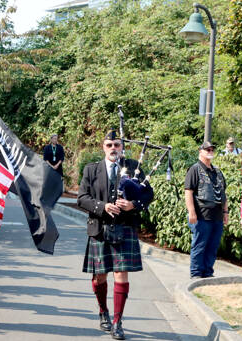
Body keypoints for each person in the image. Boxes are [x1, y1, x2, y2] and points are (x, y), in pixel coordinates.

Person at [78, 130, 145, 340]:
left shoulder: (132, 168)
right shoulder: (91, 170)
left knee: (120, 274)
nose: (113, 148)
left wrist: (132, 204)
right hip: (99, 228)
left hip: (124, 227)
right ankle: (103, 311)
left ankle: (117, 321)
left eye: (117, 144)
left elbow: (147, 194)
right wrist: (102, 206)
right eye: (109, 145)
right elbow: (82, 198)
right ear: (103, 147)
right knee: (99, 277)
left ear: (121, 146)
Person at [185, 141, 229, 279]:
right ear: (200, 151)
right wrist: (191, 211)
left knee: (212, 246)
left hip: (217, 216)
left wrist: (226, 212)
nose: (210, 151)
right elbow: (188, 192)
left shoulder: (218, 172)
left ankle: (208, 272)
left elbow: (223, 193)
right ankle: (196, 273)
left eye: (212, 149)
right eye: (207, 149)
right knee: (199, 245)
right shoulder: (195, 169)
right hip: (201, 215)